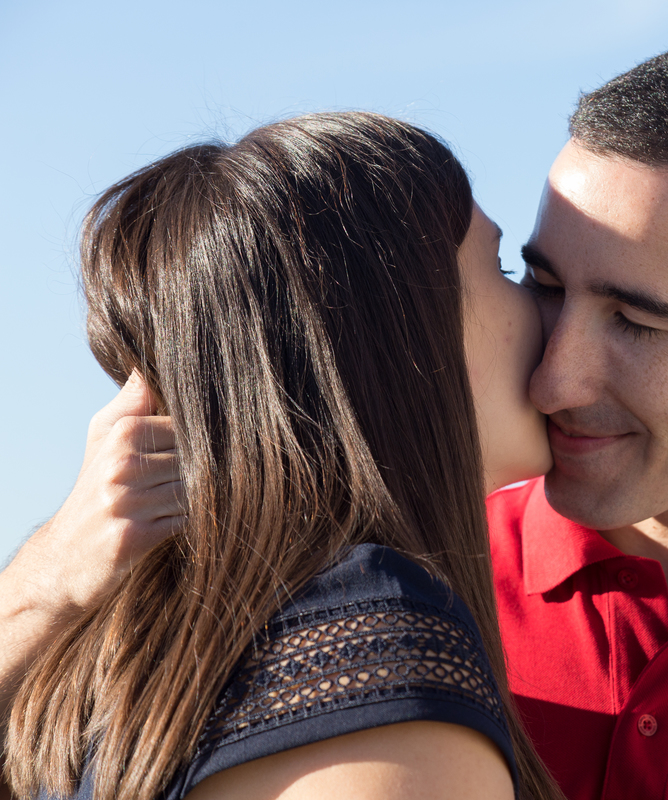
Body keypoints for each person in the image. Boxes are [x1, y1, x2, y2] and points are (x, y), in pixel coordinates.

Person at [2, 45, 668, 799]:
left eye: (636, 320)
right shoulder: (355, 599)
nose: (558, 371)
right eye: (542, 283)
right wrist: (44, 578)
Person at [0, 112, 563, 800]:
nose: (550, 318)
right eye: (501, 269)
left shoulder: (113, 659)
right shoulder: (371, 655)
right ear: (399, 334)